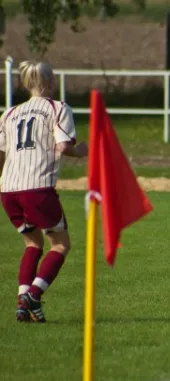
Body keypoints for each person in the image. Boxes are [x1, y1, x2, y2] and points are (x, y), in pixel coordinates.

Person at [0, 61, 88, 322]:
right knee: (60, 245)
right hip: (37, 187)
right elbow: (62, 146)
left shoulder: (8, 114)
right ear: (50, 83)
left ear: (26, 84)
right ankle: (34, 294)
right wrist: (80, 151)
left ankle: (23, 303)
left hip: (8, 190)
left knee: (32, 243)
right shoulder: (57, 108)